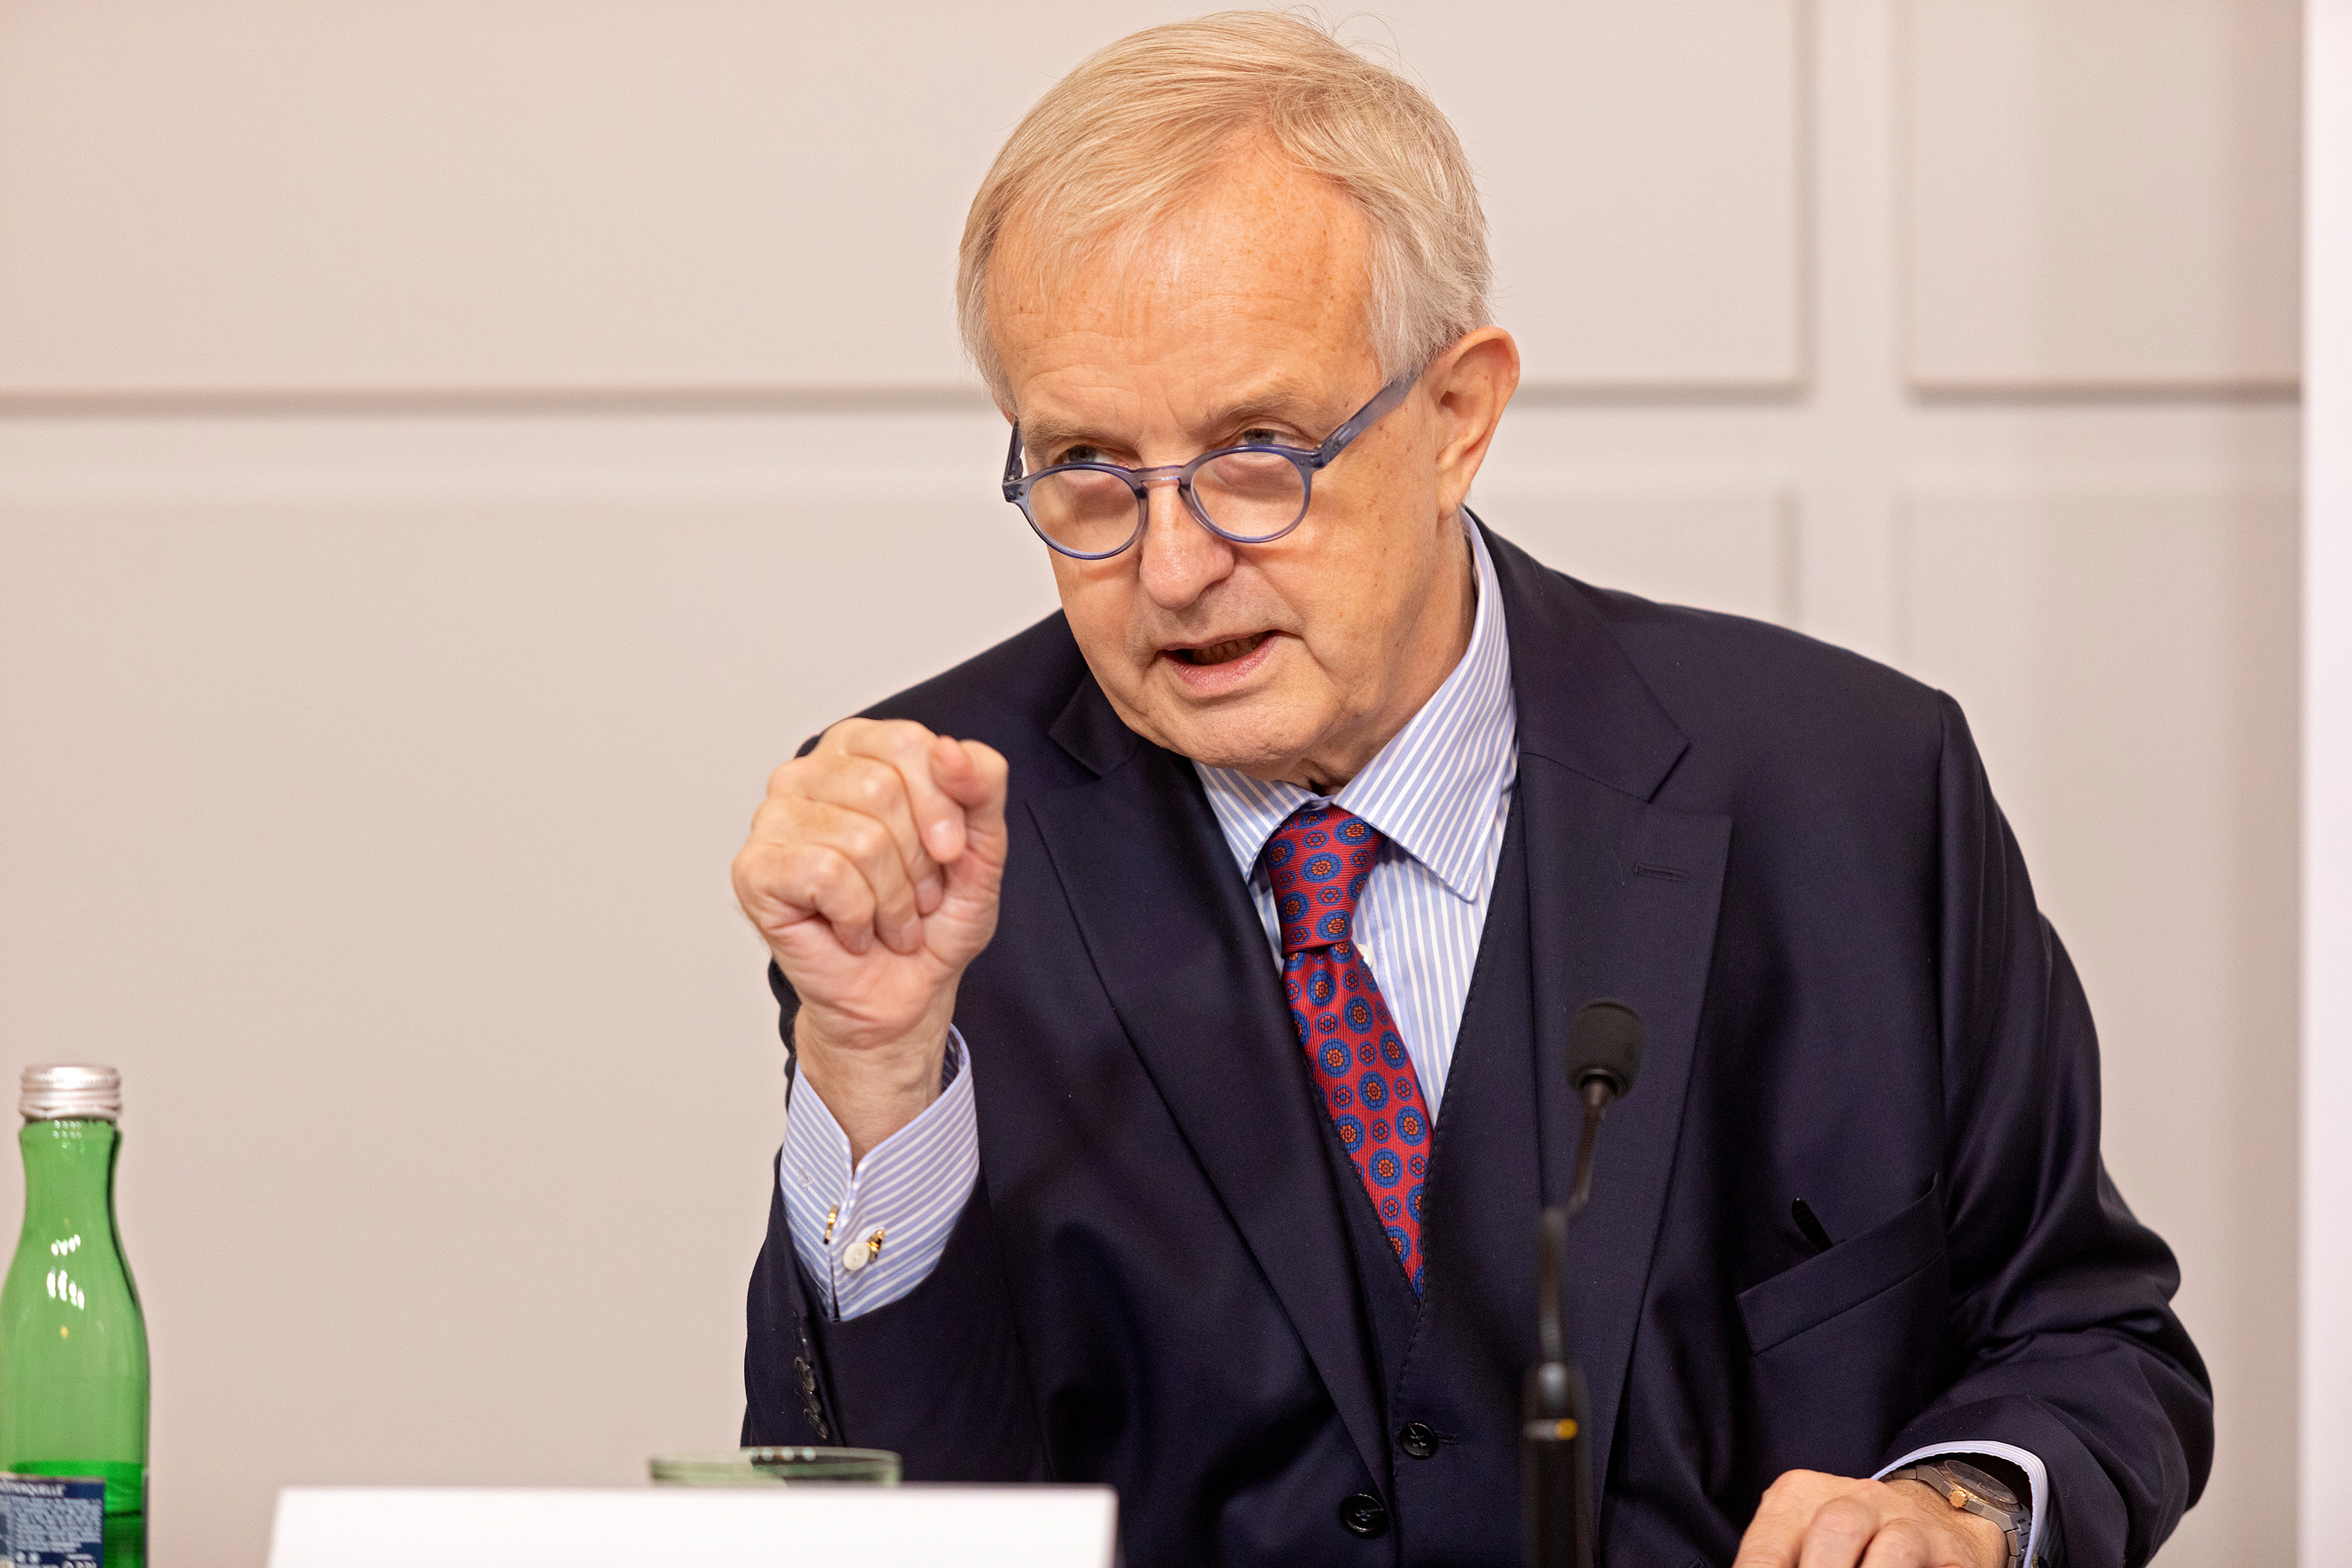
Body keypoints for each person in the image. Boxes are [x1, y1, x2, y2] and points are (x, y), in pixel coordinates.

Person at [731, 14, 2209, 1567]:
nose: (1170, 568)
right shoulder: (933, 847)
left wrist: (1961, 1508)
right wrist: (870, 1064)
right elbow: (856, 1520)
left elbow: (2090, 1342)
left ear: (1458, 416)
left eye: (1257, 454)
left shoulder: (1851, 787)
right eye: (1089, 470)